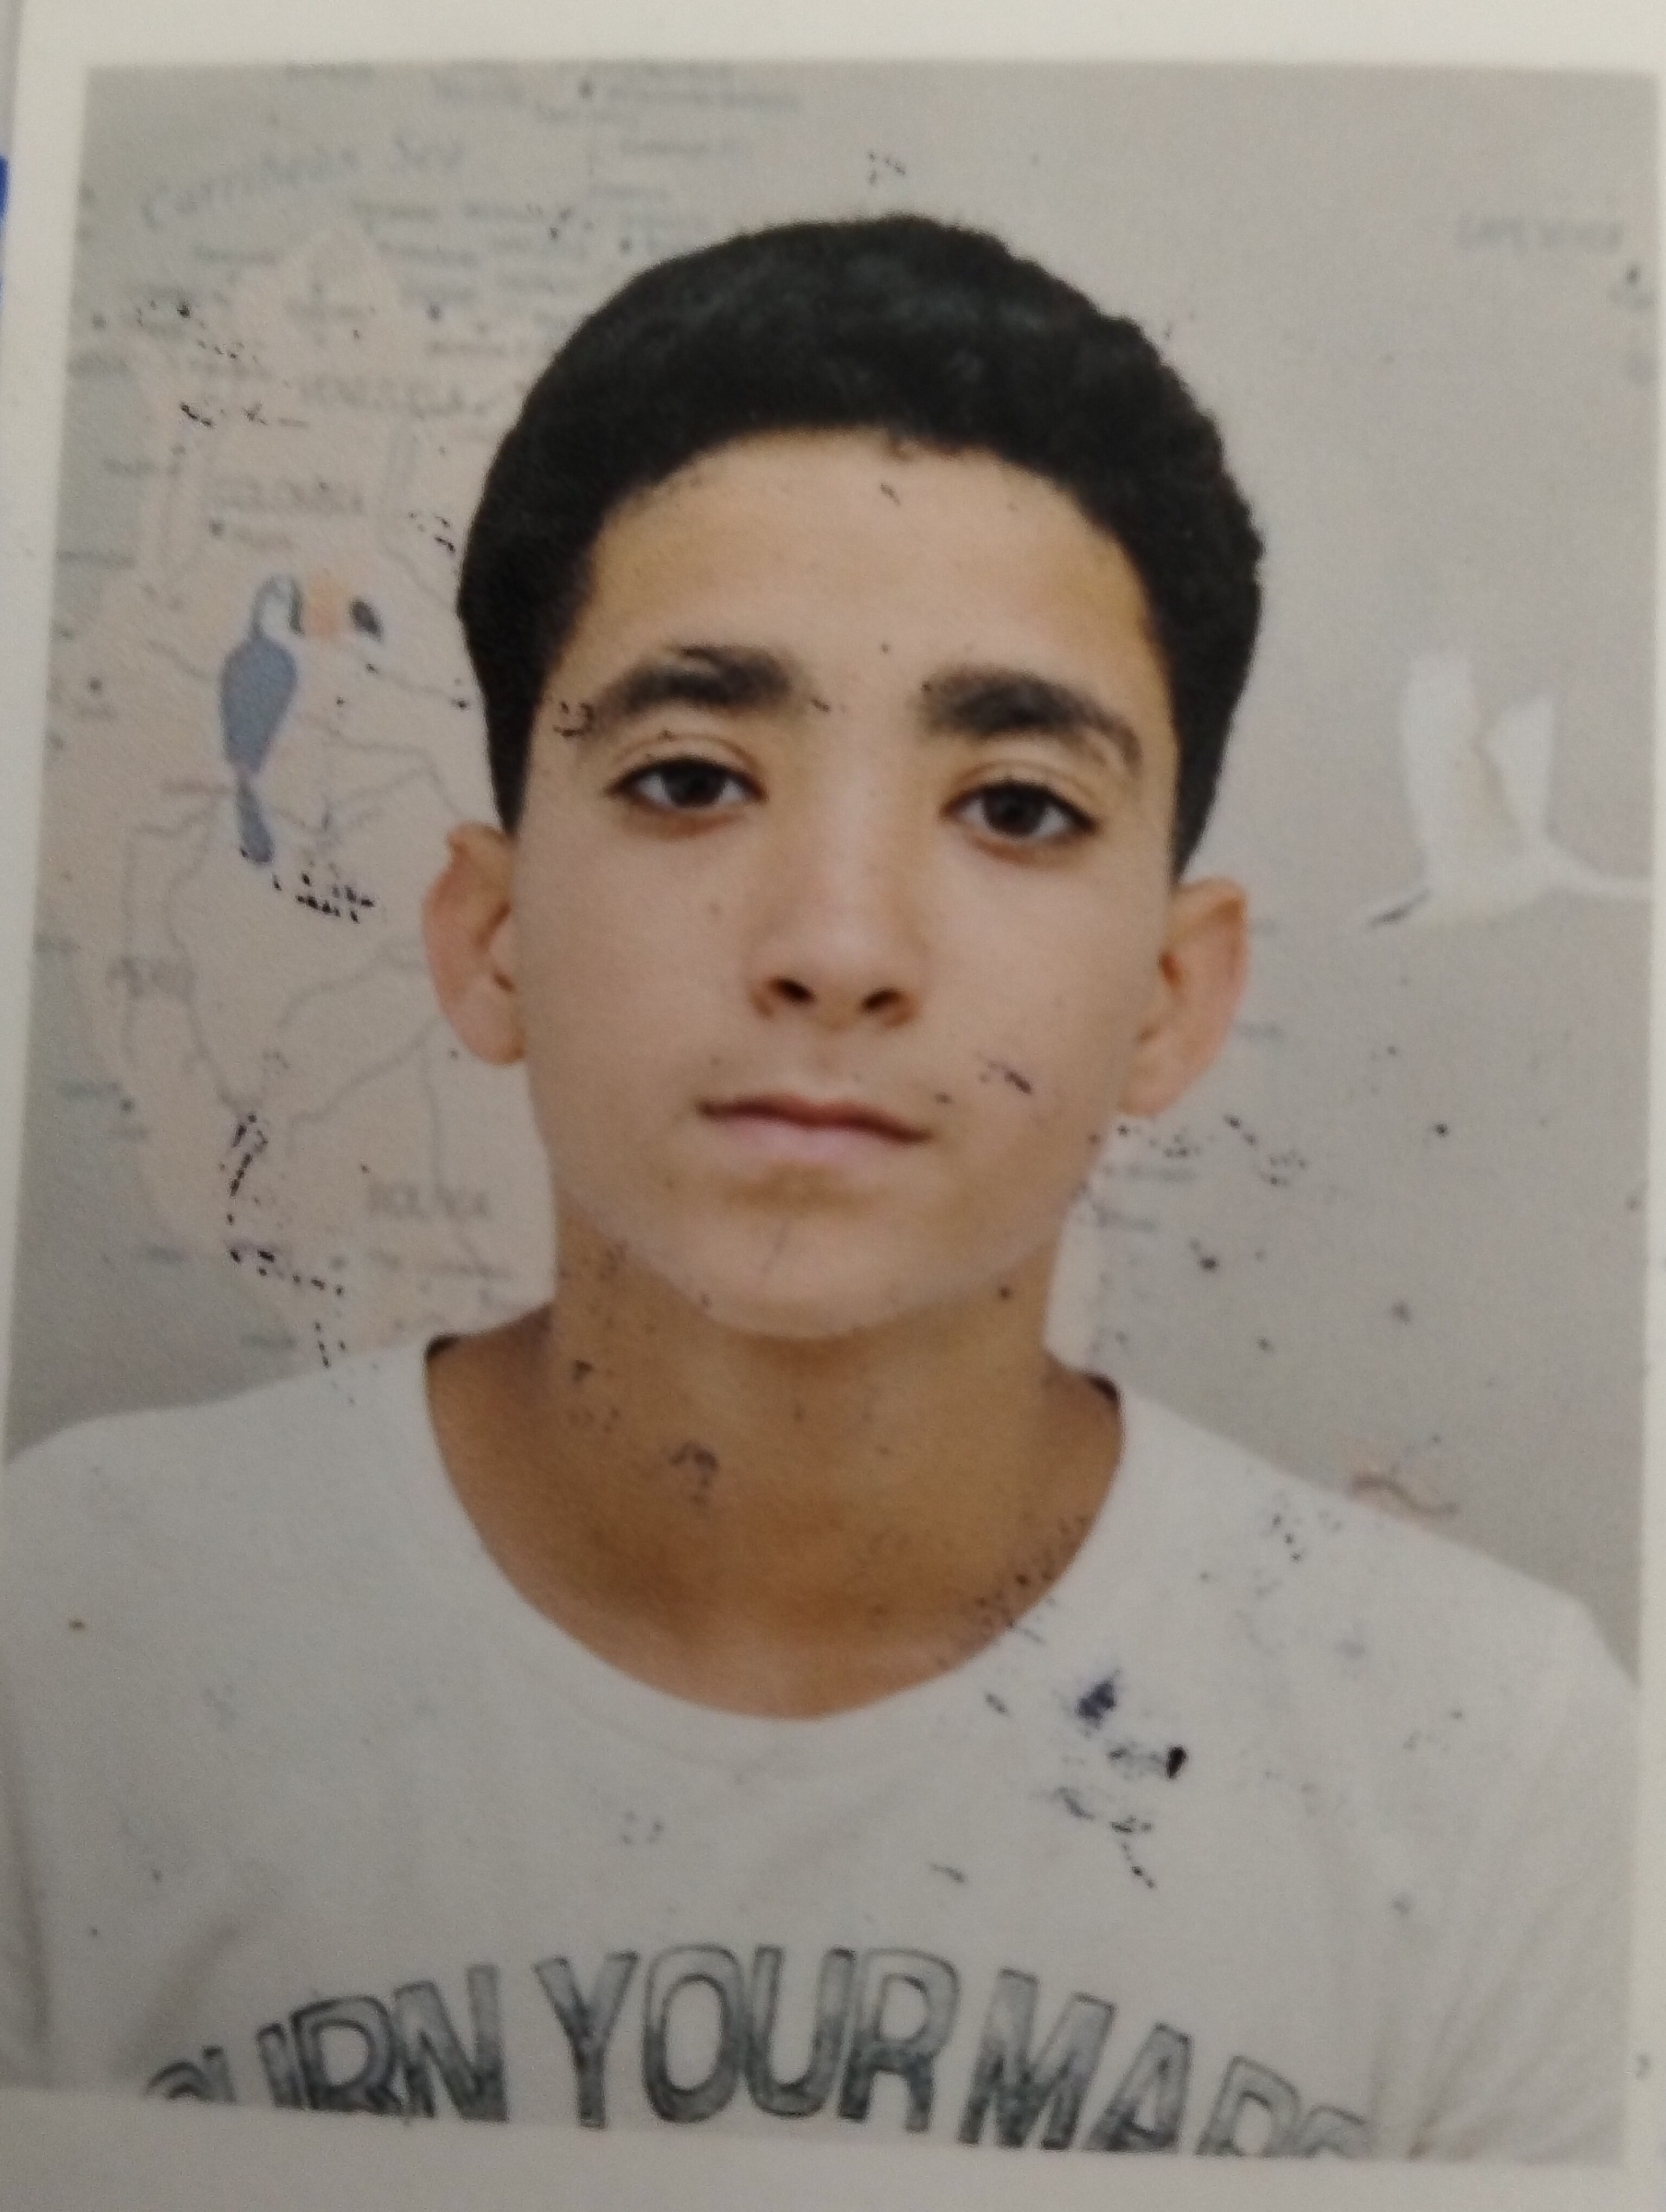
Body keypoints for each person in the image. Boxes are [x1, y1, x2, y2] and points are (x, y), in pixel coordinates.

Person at [0, 216, 1632, 2157]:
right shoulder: (68, 1641)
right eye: (692, 778)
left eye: (1015, 807)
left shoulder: (1498, 1770)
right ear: (491, 936)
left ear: (1173, 999)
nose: (837, 948)